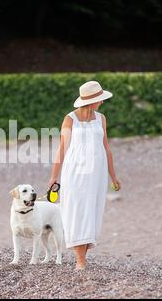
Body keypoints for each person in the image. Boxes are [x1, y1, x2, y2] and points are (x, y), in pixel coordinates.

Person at [48, 80, 121, 270]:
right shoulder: (69, 119)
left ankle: (82, 257)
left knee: (92, 211)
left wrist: (113, 176)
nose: (102, 102)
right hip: (75, 172)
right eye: (99, 99)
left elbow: (106, 147)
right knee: (76, 210)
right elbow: (62, 149)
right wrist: (53, 176)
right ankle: (80, 259)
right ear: (90, 101)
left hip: (97, 173)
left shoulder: (101, 118)